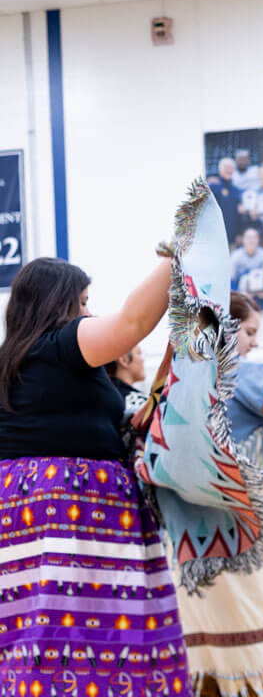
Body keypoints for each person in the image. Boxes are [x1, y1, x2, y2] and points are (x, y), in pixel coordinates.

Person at [0, 256, 190, 691]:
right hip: (71, 506)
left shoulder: (15, 359)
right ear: (58, 303)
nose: (88, 313)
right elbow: (134, 321)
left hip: (25, 511)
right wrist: (176, 253)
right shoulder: (61, 343)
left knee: (34, 636)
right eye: (82, 302)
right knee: (83, 635)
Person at [174, 292, 263, 697]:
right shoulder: (243, 374)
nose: (256, 343)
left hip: (188, 536)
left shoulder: (178, 376)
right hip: (242, 529)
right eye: (250, 332)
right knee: (258, 642)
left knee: (204, 649)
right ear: (227, 329)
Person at [209, 157, 245, 243]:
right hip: (216, 237)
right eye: (226, 168)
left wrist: (240, 233)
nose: (229, 170)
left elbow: (239, 215)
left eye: (231, 168)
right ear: (220, 170)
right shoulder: (213, 187)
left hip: (233, 237)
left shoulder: (236, 191)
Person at [230, 227, 263, 301]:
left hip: (260, 292)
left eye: (254, 238)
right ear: (243, 240)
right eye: (248, 238)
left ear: (258, 240)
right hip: (241, 292)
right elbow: (231, 279)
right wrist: (239, 294)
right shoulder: (235, 256)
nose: (251, 241)